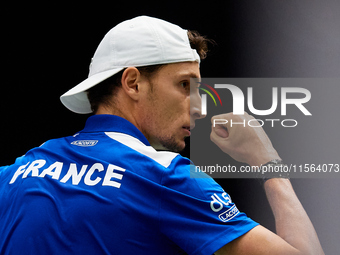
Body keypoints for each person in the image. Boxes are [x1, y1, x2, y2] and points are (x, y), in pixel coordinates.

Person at [0, 16, 323, 255]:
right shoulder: (165, 175)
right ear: (133, 83)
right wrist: (267, 161)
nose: (198, 108)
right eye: (185, 85)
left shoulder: (17, 171)